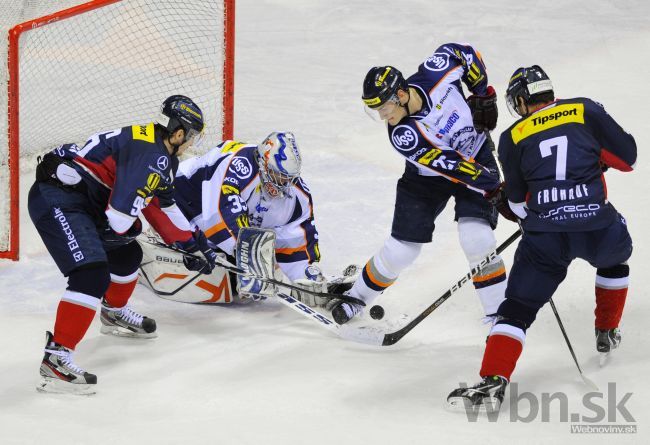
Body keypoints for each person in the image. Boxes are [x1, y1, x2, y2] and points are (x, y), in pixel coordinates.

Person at [447, 65, 636, 412]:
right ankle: (607, 331)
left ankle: (493, 380)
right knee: (614, 260)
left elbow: (518, 205)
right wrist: (598, 159)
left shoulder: (513, 135)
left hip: (545, 238)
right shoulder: (586, 109)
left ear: (521, 100)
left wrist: (509, 202)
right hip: (598, 228)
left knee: (517, 309)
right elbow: (628, 159)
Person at [29, 95, 219, 394]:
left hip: (83, 198)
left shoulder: (161, 155)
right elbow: (118, 218)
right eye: (191, 136)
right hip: (58, 198)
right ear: (179, 132)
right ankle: (56, 358)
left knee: (128, 254)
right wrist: (164, 239)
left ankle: (113, 311)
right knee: (91, 273)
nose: (191, 143)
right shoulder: (152, 155)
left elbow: (164, 205)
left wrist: (193, 243)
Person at [330, 43, 511, 325]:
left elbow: (462, 53)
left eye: (385, 107)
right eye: (375, 110)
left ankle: (500, 316)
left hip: (476, 153)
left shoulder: (435, 74)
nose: (382, 117)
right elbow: (454, 166)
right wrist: (495, 188)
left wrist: (483, 93)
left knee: (477, 239)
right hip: (428, 179)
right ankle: (357, 297)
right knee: (402, 249)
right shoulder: (404, 135)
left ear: (401, 94)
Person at [143, 131, 332, 304]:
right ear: (263, 163)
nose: (283, 183)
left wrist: (303, 278)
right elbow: (217, 215)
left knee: (237, 276)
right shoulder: (239, 165)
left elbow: (294, 238)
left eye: (288, 178)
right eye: (277, 175)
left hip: (214, 218)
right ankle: (153, 242)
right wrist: (248, 260)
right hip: (181, 200)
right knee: (214, 276)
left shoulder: (297, 194)